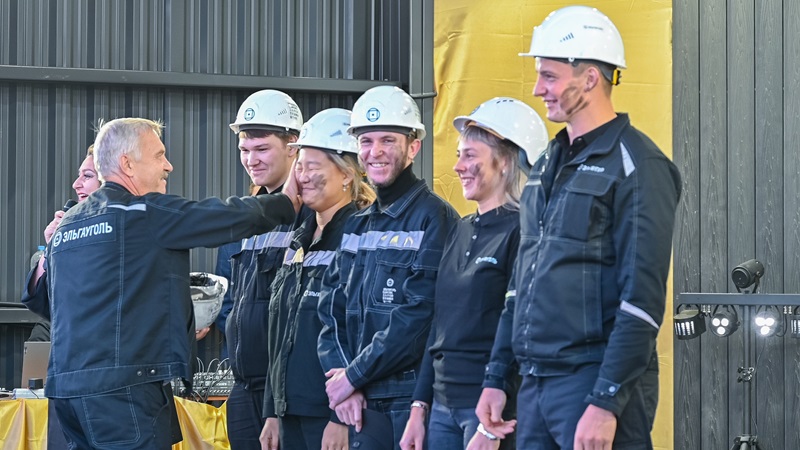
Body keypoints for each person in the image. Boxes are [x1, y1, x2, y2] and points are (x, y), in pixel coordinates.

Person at [21, 117, 300, 449]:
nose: (168, 165)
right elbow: (224, 216)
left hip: (66, 394)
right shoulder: (144, 211)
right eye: (159, 155)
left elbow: (45, 302)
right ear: (127, 163)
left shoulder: (69, 224)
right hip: (124, 391)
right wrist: (288, 201)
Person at [474, 6, 682, 450]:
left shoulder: (639, 165)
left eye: (549, 76)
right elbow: (519, 284)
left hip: (593, 384)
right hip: (534, 385)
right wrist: (497, 376)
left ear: (589, 78)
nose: (538, 89)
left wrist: (606, 401)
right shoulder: (547, 163)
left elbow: (642, 298)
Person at [399, 98, 548, 450]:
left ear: (506, 161)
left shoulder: (526, 232)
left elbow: (522, 331)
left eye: (469, 155)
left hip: (492, 411)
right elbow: (439, 325)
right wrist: (419, 408)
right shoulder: (461, 229)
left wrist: (491, 426)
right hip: (442, 409)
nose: (458, 166)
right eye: (458, 155)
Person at [317, 85, 460, 449]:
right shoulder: (356, 224)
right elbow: (330, 309)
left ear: (413, 147)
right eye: (366, 141)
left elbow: (419, 316)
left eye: (388, 140)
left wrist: (353, 376)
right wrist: (344, 383)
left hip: (407, 401)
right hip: (359, 402)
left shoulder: (436, 219)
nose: (375, 151)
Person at [262, 108, 376, 450]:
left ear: (346, 174)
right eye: (300, 166)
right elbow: (279, 331)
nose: (303, 176)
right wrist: (273, 410)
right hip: (290, 411)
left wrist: (338, 417)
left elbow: (361, 333)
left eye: (313, 166)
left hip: (331, 413)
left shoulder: (359, 238)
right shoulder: (298, 240)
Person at [224, 89, 304, 449]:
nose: (250, 160)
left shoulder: (312, 214)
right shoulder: (249, 214)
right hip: (243, 387)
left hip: (289, 390)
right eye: (244, 149)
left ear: (293, 145)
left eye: (261, 149)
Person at [28, 145, 101, 342]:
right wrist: (51, 246)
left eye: (87, 176)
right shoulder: (70, 233)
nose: (76, 184)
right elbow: (38, 298)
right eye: (79, 176)